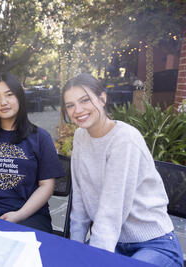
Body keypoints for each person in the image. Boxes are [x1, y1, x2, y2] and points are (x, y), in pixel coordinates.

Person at [61, 73, 183, 266]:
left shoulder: (124, 139)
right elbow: (80, 201)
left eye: (85, 100)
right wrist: (76, 249)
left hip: (153, 244)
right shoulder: (80, 136)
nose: (78, 110)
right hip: (114, 243)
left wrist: (93, 260)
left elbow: (110, 213)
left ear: (102, 98)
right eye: (70, 105)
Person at [0, 72, 64, 233]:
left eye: (9, 95)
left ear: (19, 97)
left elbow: (46, 186)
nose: (3, 102)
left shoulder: (40, 137)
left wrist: (19, 215)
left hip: (29, 216)